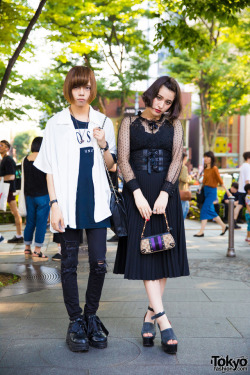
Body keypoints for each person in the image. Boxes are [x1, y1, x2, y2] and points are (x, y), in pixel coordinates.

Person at [34, 66, 116, 352]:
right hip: (66, 206)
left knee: (99, 264)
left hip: (96, 205)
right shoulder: (55, 123)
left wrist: (104, 143)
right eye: (77, 87)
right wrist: (54, 205)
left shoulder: (104, 121)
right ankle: (75, 322)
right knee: (68, 265)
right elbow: (49, 170)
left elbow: (111, 165)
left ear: (93, 89)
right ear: (69, 88)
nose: (82, 92)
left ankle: (91, 317)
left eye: (87, 87)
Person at [114, 76, 190, 354]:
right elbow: (122, 159)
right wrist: (135, 193)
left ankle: (149, 316)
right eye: (159, 98)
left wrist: (166, 192)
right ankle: (163, 321)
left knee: (163, 252)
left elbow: (176, 159)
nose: (161, 105)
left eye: (168, 102)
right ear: (151, 94)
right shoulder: (128, 123)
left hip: (164, 195)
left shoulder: (175, 125)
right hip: (138, 195)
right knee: (146, 252)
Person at [23, 137, 50, 261]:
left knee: (30, 222)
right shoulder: (44, 158)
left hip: (29, 196)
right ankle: (37, 251)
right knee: (41, 223)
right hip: (43, 196)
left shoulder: (25, 159)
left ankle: (27, 247)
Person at [194, 151, 231, 237]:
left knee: (204, 209)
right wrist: (200, 188)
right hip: (206, 191)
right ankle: (224, 226)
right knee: (211, 211)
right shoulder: (206, 168)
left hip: (212, 192)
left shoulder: (214, 168)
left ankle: (201, 231)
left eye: (208, 157)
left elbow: (220, 181)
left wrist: (228, 192)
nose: (206, 159)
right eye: (205, 157)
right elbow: (204, 181)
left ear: (211, 158)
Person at [0, 140, 23, 243]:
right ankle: (19, 236)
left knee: (15, 212)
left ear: (7, 149)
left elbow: (12, 176)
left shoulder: (8, 160)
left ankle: (19, 236)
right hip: (5, 189)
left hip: (8, 190)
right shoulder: (3, 160)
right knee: (15, 212)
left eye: (1, 145)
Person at [233, 152, 250, 228]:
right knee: (245, 206)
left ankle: (233, 221)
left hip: (241, 189)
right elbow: (247, 180)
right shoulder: (248, 166)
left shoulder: (243, 166)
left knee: (239, 206)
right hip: (246, 190)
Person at [179, 152, 191, 219]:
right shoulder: (184, 167)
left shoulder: (176, 167)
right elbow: (183, 179)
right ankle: (180, 226)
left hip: (177, 191)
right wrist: (189, 178)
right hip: (183, 191)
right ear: (184, 158)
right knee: (185, 209)